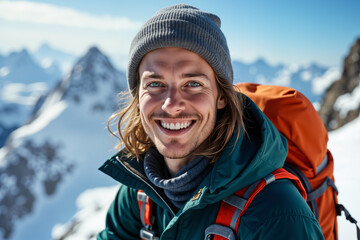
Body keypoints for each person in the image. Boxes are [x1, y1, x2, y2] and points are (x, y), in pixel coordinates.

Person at [98, 4, 324, 240]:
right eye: (155, 84)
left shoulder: (277, 214)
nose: (171, 105)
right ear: (138, 96)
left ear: (222, 96)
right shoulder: (140, 190)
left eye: (193, 84)